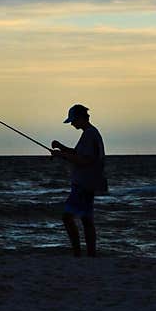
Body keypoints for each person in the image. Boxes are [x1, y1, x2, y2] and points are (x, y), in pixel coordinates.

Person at [51, 104, 106, 257]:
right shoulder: (90, 133)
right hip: (88, 182)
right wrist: (62, 148)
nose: (72, 124)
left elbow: (85, 160)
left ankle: (77, 254)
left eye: (73, 120)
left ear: (81, 118)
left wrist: (61, 155)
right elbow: (78, 153)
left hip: (83, 183)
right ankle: (91, 255)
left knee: (67, 217)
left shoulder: (89, 134)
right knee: (86, 219)